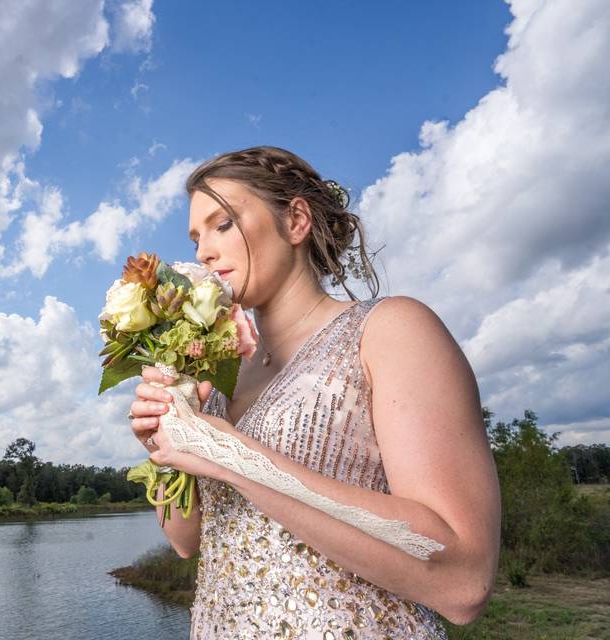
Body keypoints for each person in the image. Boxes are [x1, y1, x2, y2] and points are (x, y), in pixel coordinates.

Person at [127, 146, 501, 639]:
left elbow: (464, 578)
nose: (202, 253)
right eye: (196, 237)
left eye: (222, 225)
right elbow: (184, 541)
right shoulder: (216, 378)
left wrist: (227, 453)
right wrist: (164, 446)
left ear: (297, 220)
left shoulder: (389, 331)